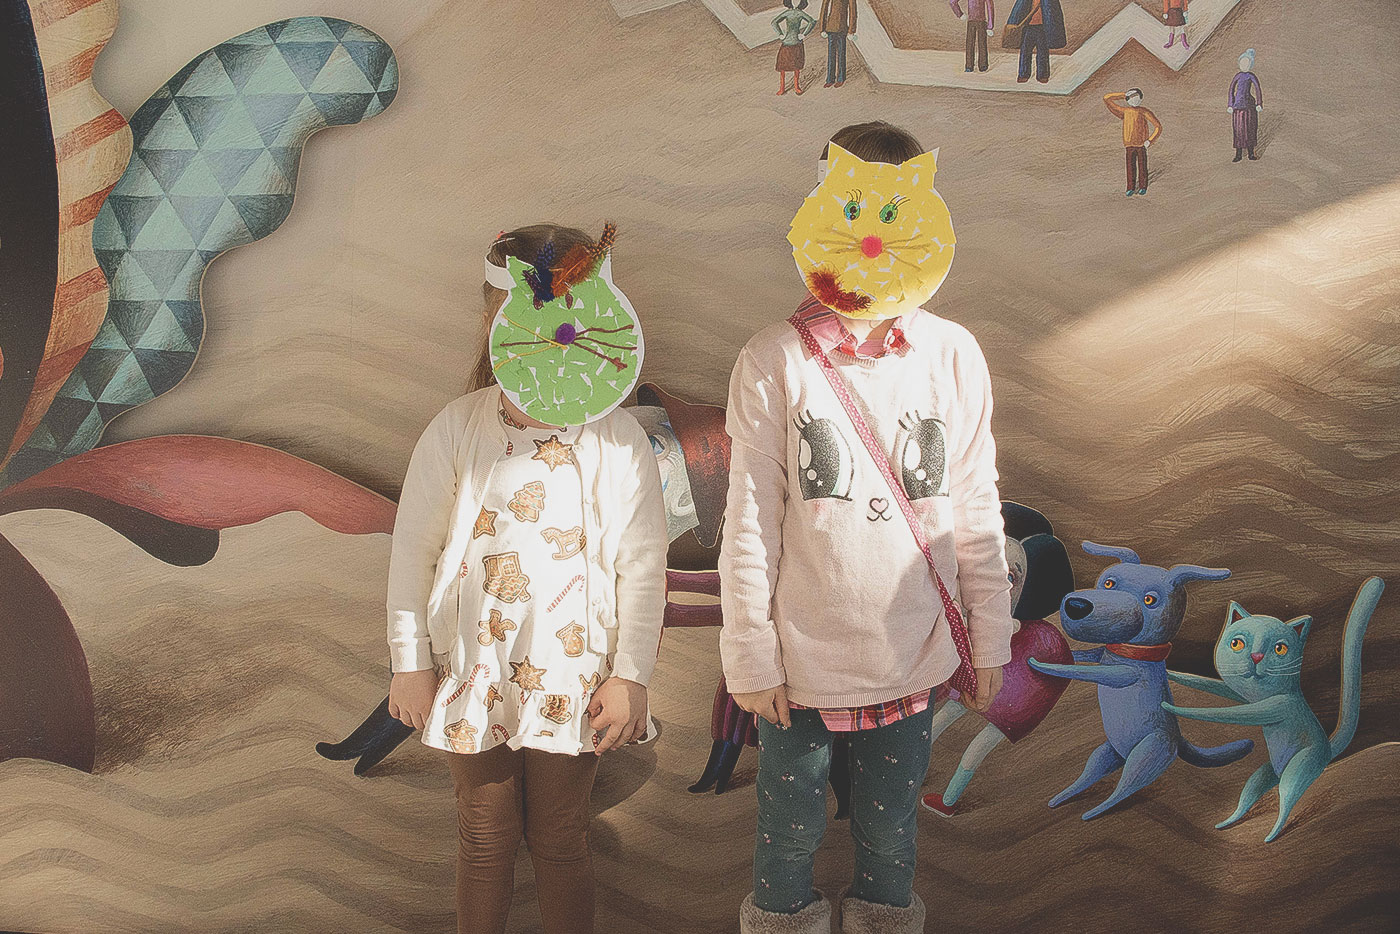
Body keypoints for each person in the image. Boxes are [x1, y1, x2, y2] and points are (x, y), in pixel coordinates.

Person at [722, 121, 1013, 934]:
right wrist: (750, 654)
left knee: (891, 839)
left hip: (914, 656)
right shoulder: (774, 358)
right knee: (786, 841)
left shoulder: (952, 354)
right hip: (800, 666)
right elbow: (749, 519)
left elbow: (976, 506)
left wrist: (990, 641)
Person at [386, 224, 667, 934]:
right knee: (484, 837)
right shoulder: (457, 428)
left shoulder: (618, 440)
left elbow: (643, 565)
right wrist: (410, 661)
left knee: (560, 838)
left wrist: (631, 675)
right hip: (475, 670)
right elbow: (413, 551)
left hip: (576, 676)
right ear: (497, 325)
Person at [1104, 88, 1162, 197]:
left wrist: (1150, 141)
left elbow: (1158, 126)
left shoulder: (1144, 111)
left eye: (1135, 96)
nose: (1133, 99)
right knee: (1130, 167)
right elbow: (1107, 98)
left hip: (1141, 145)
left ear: (1140, 97)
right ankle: (1130, 187)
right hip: (1129, 145)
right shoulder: (1125, 112)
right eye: (1130, 97)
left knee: (1142, 166)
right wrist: (1123, 94)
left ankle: (1143, 187)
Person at [1006, 0, 1065, 84]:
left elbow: (1055, 13)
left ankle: (1042, 75)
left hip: (1043, 28)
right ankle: (1023, 74)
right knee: (1025, 51)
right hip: (1028, 28)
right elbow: (1018, 10)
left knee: (1043, 52)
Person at [773, 0, 817, 96]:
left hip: (792, 42)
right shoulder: (796, 13)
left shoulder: (792, 12)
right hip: (792, 42)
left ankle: (789, 87)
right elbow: (812, 22)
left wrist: (780, 34)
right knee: (788, 66)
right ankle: (790, 88)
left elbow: (774, 22)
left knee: (791, 66)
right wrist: (803, 34)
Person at [1229, 49, 1264, 162]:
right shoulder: (1238, 76)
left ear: (1250, 65)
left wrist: (1259, 103)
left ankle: (1251, 153)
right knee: (1238, 130)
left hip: (1249, 107)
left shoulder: (1251, 76)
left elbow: (1257, 89)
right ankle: (1238, 154)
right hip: (1237, 107)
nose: (1244, 65)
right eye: (1242, 63)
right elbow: (1231, 89)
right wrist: (1230, 104)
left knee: (1250, 129)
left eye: (1247, 63)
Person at [819, 0, 857, 87]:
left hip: (842, 28)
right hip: (830, 27)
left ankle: (841, 78)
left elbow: (853, 11)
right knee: (831, 55)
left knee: (841, 54)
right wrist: (822, 28)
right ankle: (830, 79)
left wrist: (851, 30)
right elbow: (824, 7)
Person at [951, 0, 995, 73]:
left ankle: (979, 65)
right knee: (972, 44)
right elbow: (952, 2)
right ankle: (972, 66)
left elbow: (990, 7)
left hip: (980, 22)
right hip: (974, 21)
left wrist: (990, 26)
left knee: (979, 44)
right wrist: (960, 14)